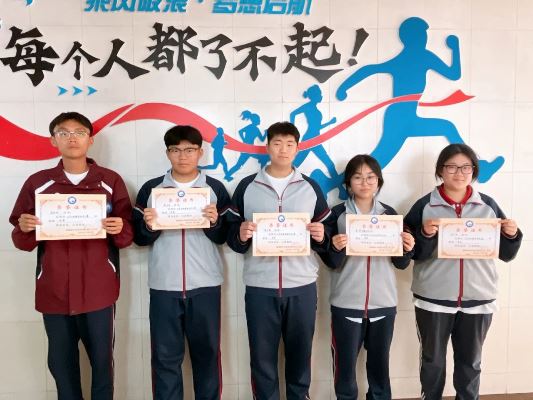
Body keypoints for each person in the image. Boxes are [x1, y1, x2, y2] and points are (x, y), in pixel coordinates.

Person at [9, 111, 134, 400]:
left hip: (98, 291)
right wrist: (25, 227)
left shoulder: (109, 181)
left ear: (90, 140)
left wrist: (119, 228)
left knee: (102, 366)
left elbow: (127, 236)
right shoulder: (38, 183)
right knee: (62, 367)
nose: (72, 138)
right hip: (54, 291)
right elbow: (21, 240)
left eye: (79, 132)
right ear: (53, 140)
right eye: (63, 133)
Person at [403, 143, 522, 400]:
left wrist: (512, 235)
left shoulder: (488, 205)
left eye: (466, 167)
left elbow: (506, 254)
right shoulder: (424, 205)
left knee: (470, 363)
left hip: (478, 298)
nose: (459, 173)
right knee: (432, 362)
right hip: (433, 299)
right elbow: (410, 253)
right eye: (452, 167)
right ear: (440, 170)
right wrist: (425, 234)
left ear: (474, 171)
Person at [226, 121, 333, 400]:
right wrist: (241, 234)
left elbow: (326, 233)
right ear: (267, 147)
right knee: (262, 358)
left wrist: (321, 235)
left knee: (300, 355)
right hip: (260, 287)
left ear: (297, 148)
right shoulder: (247, 186)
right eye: (277, 143)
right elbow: (232, 236)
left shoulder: (310, 187)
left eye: (289, 144)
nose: (283, 150)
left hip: (302, 286)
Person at [133, 125, 231, 400]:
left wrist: (215, 222)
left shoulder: (215, 189)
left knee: (207, 356)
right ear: (167, 153)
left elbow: (226, 237)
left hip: (205, 285)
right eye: (175, 150)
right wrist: (149, 226)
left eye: (189, 150)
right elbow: (138, 238)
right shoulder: (151, 189)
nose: (183, 156)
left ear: (200, 152)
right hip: (164, 285)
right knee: (165, 359)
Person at [320, 154, 414, 400]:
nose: (365, 183)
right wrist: (335, 248)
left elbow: (402, 264)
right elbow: (331, 262)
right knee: (344, 369)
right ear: (348, 184)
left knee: (380, 368)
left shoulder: (390, 215)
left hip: (383, 304)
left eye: (371, 177)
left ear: (379, 182)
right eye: (358, 177)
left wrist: (407, 248)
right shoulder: (336, 215)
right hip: (346, 304)